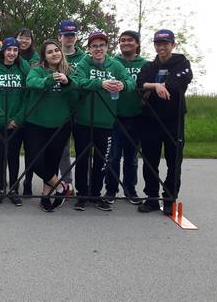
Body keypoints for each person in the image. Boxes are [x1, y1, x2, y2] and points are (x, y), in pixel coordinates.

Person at [72, 31, 135, 211]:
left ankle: (96, 195)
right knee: (82, 159)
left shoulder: (115, 65)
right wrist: (100, 84)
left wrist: (123, 85)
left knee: (102, 161)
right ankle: (82, 195)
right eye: (94, 46)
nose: (98, 49)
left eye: (101, 45)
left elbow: (131, 82)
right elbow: (77, 82)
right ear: (89, 48)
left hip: (106, 123)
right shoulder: (84, 62)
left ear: (107, 47)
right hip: (83, 121)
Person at [137, 29, 192, 215]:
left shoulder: (182, 63)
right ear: (154, 45)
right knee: (149, 161)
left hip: (173, 121)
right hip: (150, 120)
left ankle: (169, 198)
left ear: (173, 45)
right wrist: (154, 85)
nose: (162, 47)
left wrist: (154, 87)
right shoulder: (149, 66)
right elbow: (139, 82)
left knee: (173, 161)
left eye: (166, 44)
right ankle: (151, 197)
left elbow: (177, 83)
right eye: (158, 44)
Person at [25, 40, 76, 212]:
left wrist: (67, 83)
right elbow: (32, 83)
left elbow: (76, 96)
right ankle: (62, 186)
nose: (54, 53)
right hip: (36, 123)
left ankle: (46, 196)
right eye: (50, 52)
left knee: (52, 161)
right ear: (44, 56)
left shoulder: (69, 72)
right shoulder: (37, 70)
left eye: (57, 50)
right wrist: (49, 79)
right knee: (34, 161)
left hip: (60, 124)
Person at [104, 30, 147, 205]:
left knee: (131, 157)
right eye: (122, 40)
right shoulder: (113, 63)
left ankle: (130, 189)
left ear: (137, 44)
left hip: (136, 116)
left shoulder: (145, 64)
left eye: (130, 40)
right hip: (114, 116)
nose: (126, 43)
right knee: (113, 156)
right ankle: (111, 190)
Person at [0, 37, 30, 207]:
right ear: (3, 51)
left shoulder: (22, 71)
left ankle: (13, 189)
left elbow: (26, 98)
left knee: (13, 157)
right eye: (9, 50)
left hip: (17, 123)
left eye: (15, 50)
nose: (12, 53)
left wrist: (17, 119)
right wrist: (4, 119)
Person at [56, 19, 85, 191]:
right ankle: (67, 182)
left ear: (76, 37)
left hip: (81, 109)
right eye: (66, 35)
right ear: (60, 36)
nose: (69, 38)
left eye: (72, 35)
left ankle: (83, 186)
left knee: (83, 149)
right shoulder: (54, 54)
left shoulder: (84, 58)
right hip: (60, 109)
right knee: (63, 149)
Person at [15, 27, 38, 195]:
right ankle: (14, 181)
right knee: (13, 150)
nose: (23, 41)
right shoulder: (11, 53)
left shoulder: (36, 57)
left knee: (30, 150)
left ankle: (28, 180)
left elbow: (33, 76)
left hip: (32, 108)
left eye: (27, 38)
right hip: (15, 107)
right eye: (21, 37)